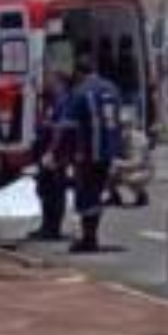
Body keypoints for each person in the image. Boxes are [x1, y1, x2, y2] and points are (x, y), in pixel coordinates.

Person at [66, 55, 123, 254]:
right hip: (109, 150)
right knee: (96, 192)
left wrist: (67, 153)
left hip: (89, 151)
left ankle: (89, 238)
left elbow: (70, 125)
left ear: (79, 72)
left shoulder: (81, 92)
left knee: (86, 194)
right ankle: (91, 236)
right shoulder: (112, 89)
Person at [31, 71, 74, 241]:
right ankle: (46, 226)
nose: (47, 82)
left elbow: (59, 129)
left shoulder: (63, 101)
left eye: (50, 80)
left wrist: (52, 152)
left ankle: (53, 229)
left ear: (59, 83)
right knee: (44, 189)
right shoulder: (50, 101)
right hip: (45, 150)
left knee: (54, 191)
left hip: (56, 154)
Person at [106, 109, 152, 208]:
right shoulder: (115, 138)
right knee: (105, 171)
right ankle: (114, 196)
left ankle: (141, 195)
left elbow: (137, 162)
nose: (123, 129)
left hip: (143, 170)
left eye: (126, 126)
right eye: (121, 126)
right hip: (124, 167)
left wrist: (116, 163)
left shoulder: (139, 139)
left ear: (131, 126)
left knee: (131, 178)